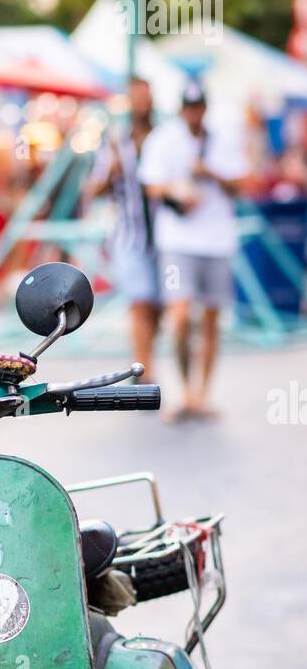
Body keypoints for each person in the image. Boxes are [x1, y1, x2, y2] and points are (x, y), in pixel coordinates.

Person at [138, 81, 248, 419]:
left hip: (217, 240)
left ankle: (201, 394)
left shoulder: (224, 139)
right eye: (189, 107)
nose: (193, 113)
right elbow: (151, 185)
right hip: (178, 241)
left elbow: (242, 184)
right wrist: (178, 195)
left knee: (212, 318)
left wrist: (209, 173)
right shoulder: (165, 139)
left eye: (198, 106)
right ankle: (185, 390)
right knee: (181, 315)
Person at [85, 75, 160, 380]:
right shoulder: (116, 140)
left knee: (159, 305)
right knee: (140, 300)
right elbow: (93, 188)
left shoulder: (163, 136)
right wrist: (111, 172)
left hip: (165, 236)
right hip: (130, 236)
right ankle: (144, 367)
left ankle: (146, 358)